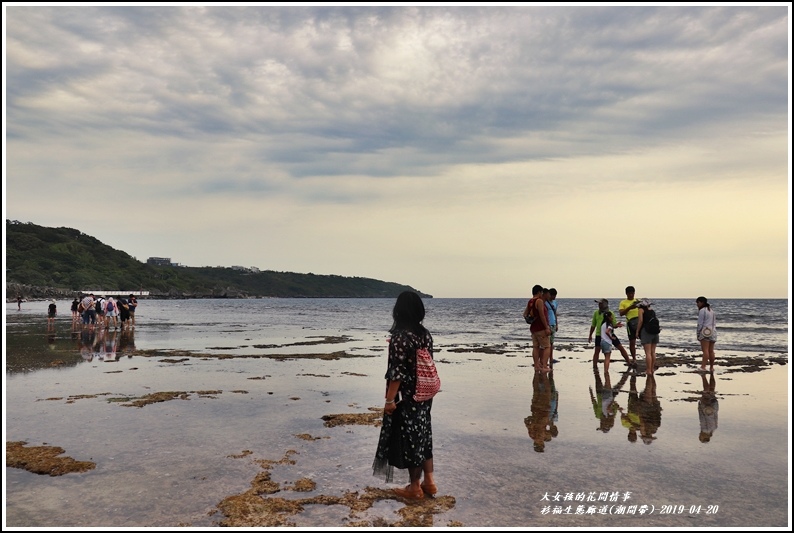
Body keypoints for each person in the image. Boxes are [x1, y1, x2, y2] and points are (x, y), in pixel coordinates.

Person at [373, 291, 437, 500]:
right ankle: (430, 482)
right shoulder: (425, 334)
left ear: (398, 311)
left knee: (411, 441)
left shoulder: (400, 337)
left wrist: (390, 400)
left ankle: (415, 488)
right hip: (425, 393)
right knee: (423, 435)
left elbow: (397, 373)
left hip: (407, 396)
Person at [524, 284, 551, 372]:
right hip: (540, 328)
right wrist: (546, 327)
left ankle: (536, 365)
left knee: (535, 347)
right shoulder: (539, 301)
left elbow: (524, 314)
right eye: (541, 292)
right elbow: (542, 315)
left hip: (533, 328)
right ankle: (544, 366)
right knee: (547, 346)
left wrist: (531, 319)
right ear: (539, 292)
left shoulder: (530, 301)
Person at [524, 371, 552, 452]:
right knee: (544, 391)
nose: (540, 441)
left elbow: (527, 423)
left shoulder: (533, 434)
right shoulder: (540, 436)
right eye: (541, 444)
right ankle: (542, 374)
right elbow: (550, 431)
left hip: (539, 411)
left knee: (538, 391)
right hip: (543, 411)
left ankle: (540, 373)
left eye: (539, 443)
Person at [635, 299, 659, 375]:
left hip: (646, 332)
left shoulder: (641, 310)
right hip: (655, 332)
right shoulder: (652, 311)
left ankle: (648, 370)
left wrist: (637, 331)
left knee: (648, 353)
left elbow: (640, 321)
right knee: (653, 352)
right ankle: (652, 369)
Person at [618, 286, 640, 366]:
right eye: (629, 293)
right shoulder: (623, 302)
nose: (631, 295)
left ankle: (648, 356)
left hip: (640, 322)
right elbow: (621, 313)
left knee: (645, 341)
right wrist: (630, 307)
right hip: (630, 324)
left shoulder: (638, 301)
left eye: (632, 293)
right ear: (626, 294)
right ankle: (634, 358)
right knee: (632, 342)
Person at [637, 374, 662, 444]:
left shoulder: (652, 429)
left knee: (652, 391)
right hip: (648, 409)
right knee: (651, 391)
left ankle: (650, 376)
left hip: (652, 409)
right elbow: (641, 419)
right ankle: (650, 375)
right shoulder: (651, 429)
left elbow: (658, 419)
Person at [696, 296, 717, 373]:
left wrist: (698, 333)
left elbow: (700, 323)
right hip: (713, 331)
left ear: (701, 302)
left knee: (705, 350)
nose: (697, 304)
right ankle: (711, 367)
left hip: (705, 331)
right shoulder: (711, 311)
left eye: (697, 302)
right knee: (711, 350)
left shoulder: (702, 311)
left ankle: (703, 366)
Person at [698, 372, 718, 442]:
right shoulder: (704, 429)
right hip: (706, 408)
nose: (699, 435)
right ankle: (703, 376)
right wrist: (700, 407)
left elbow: (716, 416)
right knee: (706, 391)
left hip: (714, 408)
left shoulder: (714, 428)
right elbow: (702, 418)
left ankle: (711, 374)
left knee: (712, 390)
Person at [545, 288, 559, 367]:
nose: (554, 297)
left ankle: (551, 358)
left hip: (553, 323)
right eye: (553, 295)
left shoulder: (555, 303)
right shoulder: (545, 302)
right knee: (546, 343)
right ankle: (545, 359)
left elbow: (555, 313)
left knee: (551, 342)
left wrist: (557, 324)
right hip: (548, 324)